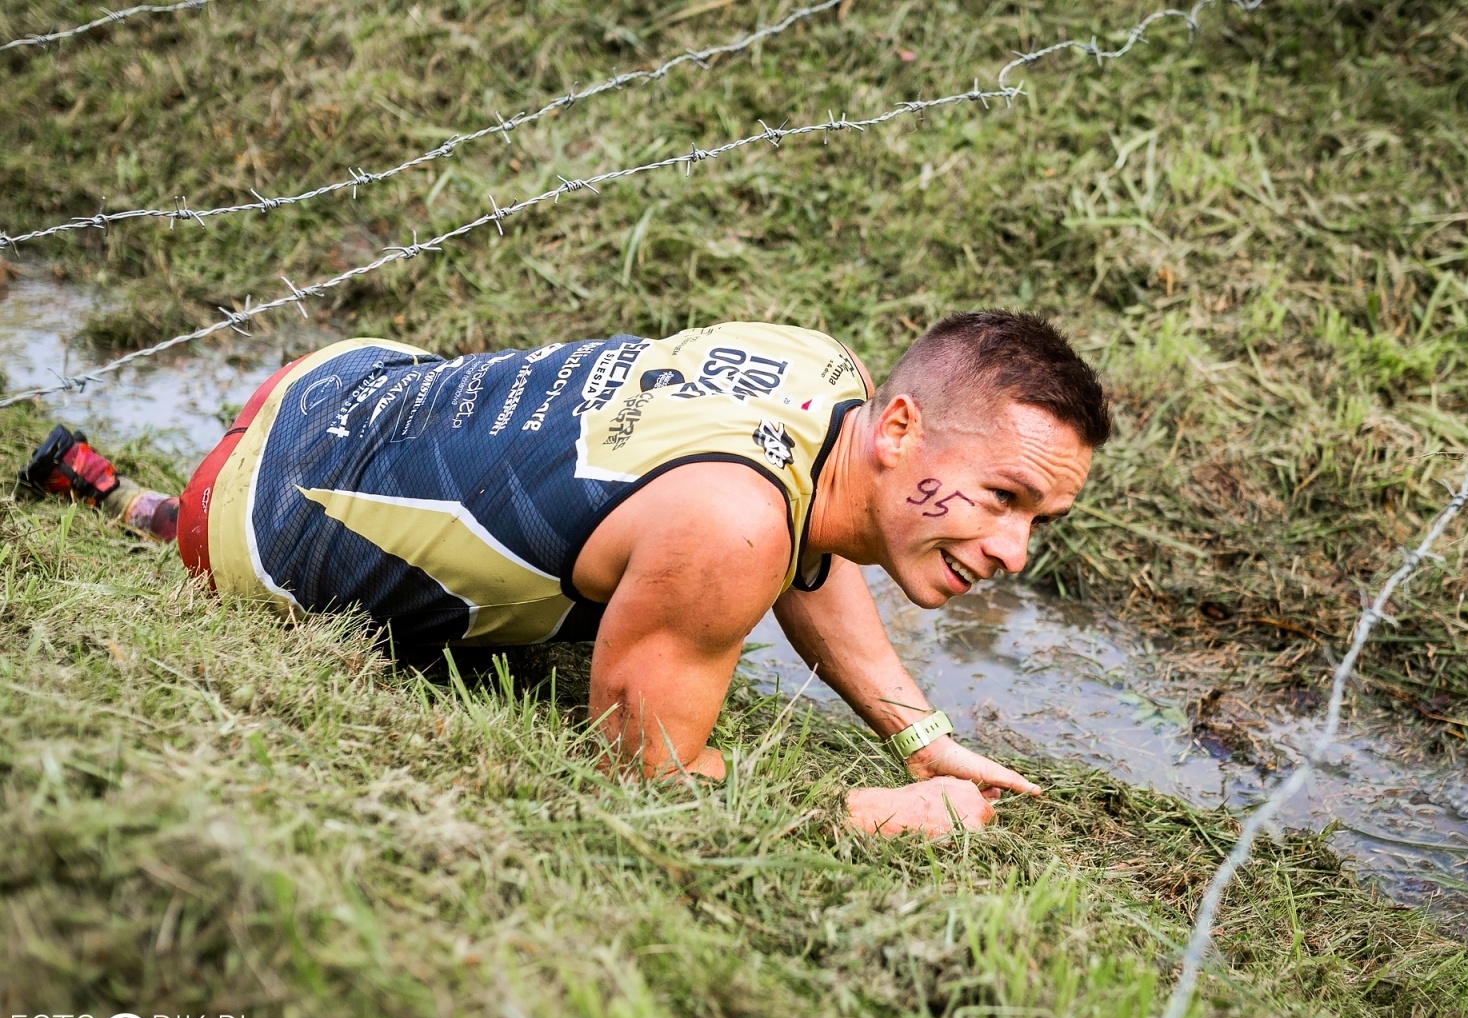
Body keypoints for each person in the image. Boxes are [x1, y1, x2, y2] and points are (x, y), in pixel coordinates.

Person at [18, 310, 1111, 836]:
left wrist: (915, 731)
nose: (1012, 552)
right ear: (903, 429)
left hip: (336, 385)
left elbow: (810, 547)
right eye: (1003, 497)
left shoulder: (821, 374)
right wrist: (892, 810)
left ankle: (117, 488)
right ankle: (155, 515)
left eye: (1038, 518)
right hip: (256, 525)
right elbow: (644, 790)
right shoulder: (731, 529)